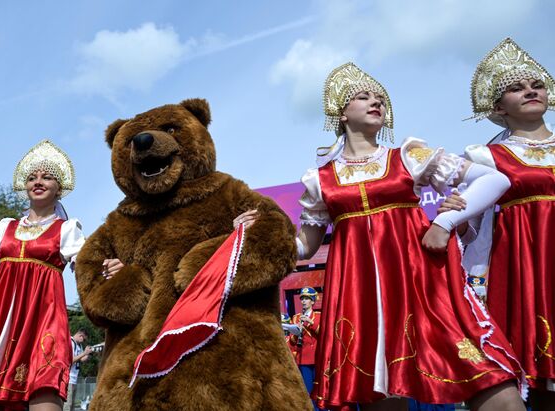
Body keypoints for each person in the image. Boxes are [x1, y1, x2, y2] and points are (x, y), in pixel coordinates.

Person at [235, 62, 525, 410]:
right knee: (382, 398)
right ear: (342, 114)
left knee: (489, 384)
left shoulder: (409, 155)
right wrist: (257, 234)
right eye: (363, 97)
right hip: (363, 300)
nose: (377, 102)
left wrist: (445, 221)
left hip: (422, 285)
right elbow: (303, 248)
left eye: (380, 99)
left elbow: (494, 180)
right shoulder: (320, 178)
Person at [440, 37, 555, 410]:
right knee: (541, 378)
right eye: (516, 88)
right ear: (498, 107)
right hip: (528, 265)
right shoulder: (486, 156)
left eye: (536, 84)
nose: (530, 91)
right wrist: (455, 213)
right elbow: (473, 229)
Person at [0, 140, 84, 411]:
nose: (38, 181)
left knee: (43, 383)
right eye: (32, 177)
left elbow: (85, 263)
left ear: (59, 189)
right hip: (2, 317)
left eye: (47, 177)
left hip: (42, 314)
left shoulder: (67, 229)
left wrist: (105, 268)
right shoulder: (6, 226)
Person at [292, 287, 321, 410]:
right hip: (303, 359)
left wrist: (309, 322)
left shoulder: (319, 315)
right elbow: (293, 341)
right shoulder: (296, 317)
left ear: (313, 301)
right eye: (302, 298)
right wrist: (296, 332)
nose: (303, 301)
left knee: (320, 390)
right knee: (307, 391)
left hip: (318, 357)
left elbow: (324, 334)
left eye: (307, 299)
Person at [63, 329, 93, 411]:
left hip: (74, 380)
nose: (83, 341)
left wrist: (89, 354)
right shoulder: (70, 343)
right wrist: (84, 353)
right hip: (68, 379)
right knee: (67, 405)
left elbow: (82, 359)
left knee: (72, 406)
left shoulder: (79, 345)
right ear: (80, 336)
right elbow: (70, 360)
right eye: (84, 339)